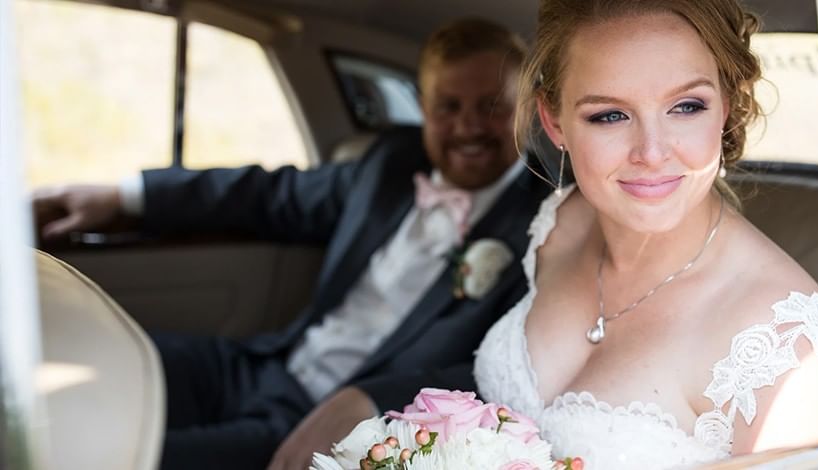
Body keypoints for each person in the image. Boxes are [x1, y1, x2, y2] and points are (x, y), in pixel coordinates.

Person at [32, 18, 549, 470]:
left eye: (491, 106)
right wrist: (122, 197)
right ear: (423, 106)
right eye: (448, 106)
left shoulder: (544, 226)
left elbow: (514, 367)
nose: (468, 126)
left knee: (116, 458)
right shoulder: (390, 162)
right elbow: (267, 194)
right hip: (263, 364)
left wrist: (370, 401)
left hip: (332, 421)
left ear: (524, 107)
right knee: (62, 364)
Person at [471, 1, 818, 467]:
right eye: (610, 115)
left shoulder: (784, 349)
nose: (652, 153)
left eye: (686, 106)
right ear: (555, 122)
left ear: (725, 109)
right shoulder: (562, 224)